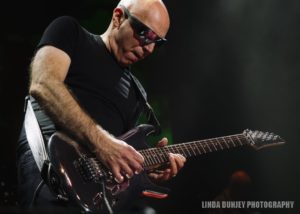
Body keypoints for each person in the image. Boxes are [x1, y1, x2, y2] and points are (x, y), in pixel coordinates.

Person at [16, 0, 186, 213]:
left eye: (157, 42)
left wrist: (144, 168)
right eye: (145, 34)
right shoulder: (70, 32)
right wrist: (102, 143)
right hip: (51, 175)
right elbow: (43, 83)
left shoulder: (137, 93)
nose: (150, 48)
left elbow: (117, 156)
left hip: (98, 198)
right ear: (118, 17)